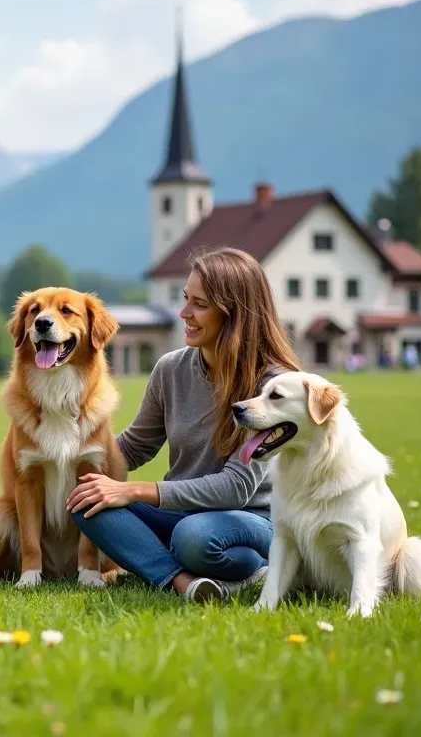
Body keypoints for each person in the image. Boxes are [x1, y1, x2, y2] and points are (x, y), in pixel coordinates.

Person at [66, 247, 301, 602]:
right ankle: (186, 583)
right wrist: (71, 464)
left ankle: (244, 568)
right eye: (185, 299)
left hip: (251, 521)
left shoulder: (273, 387)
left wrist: (135, 490)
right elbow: (134, 446)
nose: (184, 313)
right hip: (182, 515)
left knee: (195, 538)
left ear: (234, 313)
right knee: (86, 501)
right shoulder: (171, 369)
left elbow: (236, 487)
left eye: (200, 304)